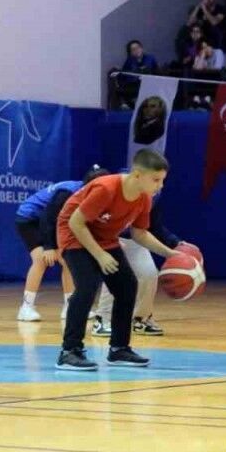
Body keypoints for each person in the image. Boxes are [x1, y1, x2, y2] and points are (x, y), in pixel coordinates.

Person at [55, 148, 177, 371]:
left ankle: (119, 349)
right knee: (86, 287)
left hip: (105, 238)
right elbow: (76, 223)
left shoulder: (144, 199)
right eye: (156, 180)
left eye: (162, 180)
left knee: (127, 286)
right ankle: (69, 351)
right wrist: (100, 255)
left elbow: (139, 234)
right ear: (137, 175)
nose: (160, 186)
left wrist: (169, 253)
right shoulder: (106, 188)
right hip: (74, 234)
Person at [13, 166, 110, 322]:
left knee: (67, 261)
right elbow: (47, 218)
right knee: (40, 260)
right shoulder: (68, 193)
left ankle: (69, 307)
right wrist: (49, 247)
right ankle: (26, 308)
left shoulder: (94, 196)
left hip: (54, 223)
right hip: (30, 219)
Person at [93, 194, 193, 338]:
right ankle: (102, 320)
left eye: (162, 183)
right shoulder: (120, 191)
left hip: (137, 238)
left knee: (149, 274)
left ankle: (141, 319)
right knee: (115, 276)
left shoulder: (154, 196)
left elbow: (154, 226)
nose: (160, 186)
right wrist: (106, 237)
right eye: (157, 182)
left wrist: (175, 242)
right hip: (110, 236)